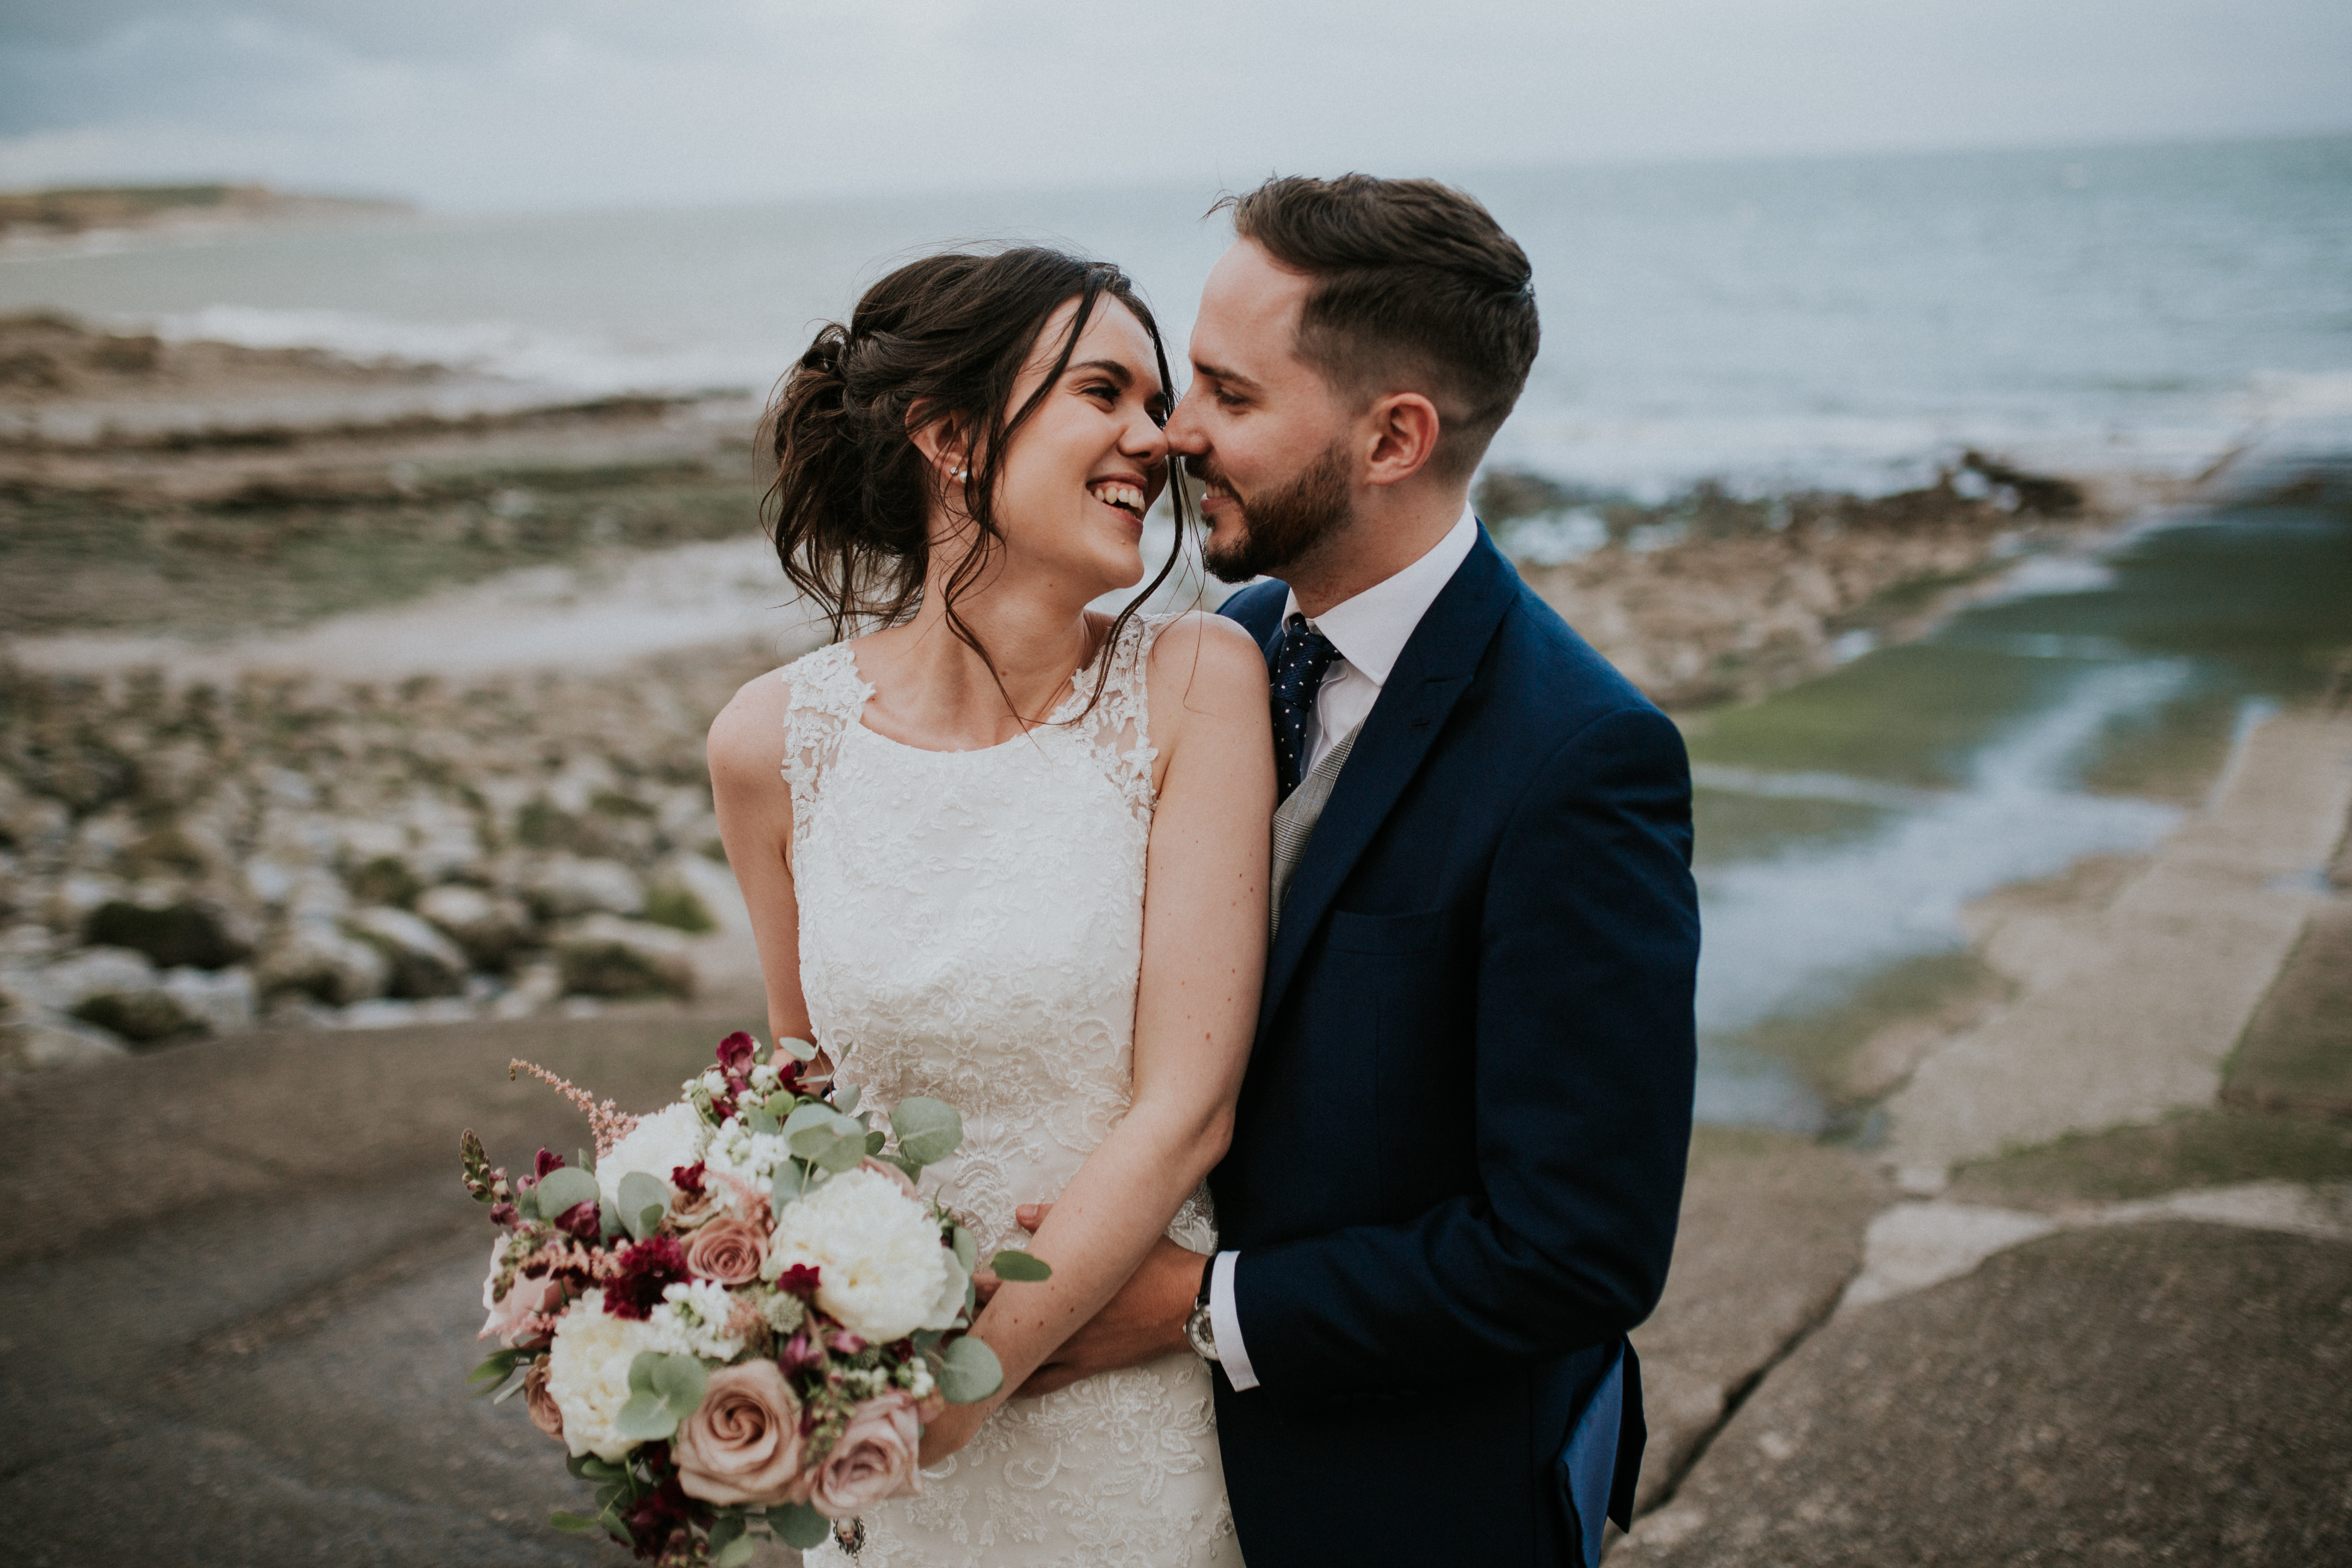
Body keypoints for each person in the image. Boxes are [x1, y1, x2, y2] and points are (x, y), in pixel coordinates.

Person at [1008, 176, 1701, 1567]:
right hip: (1143, 1479)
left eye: (1228, 396)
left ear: (1393, 438)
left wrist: (1205, 1304)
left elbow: (1577, 1251)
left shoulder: (1580, 759)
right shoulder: (1228, 646)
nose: (1172, 434)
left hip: (1403, 1501)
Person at [706, 248, 1272, 1565]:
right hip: (870, 1428)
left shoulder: (1195, 681)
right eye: (1104, 392)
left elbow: (1186, 1110)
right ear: (952, 437)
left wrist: (957, 1392)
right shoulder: (771, 741)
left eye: (1161, 399)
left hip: (1106, 1422)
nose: (1159, 438)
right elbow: (799, 1086)